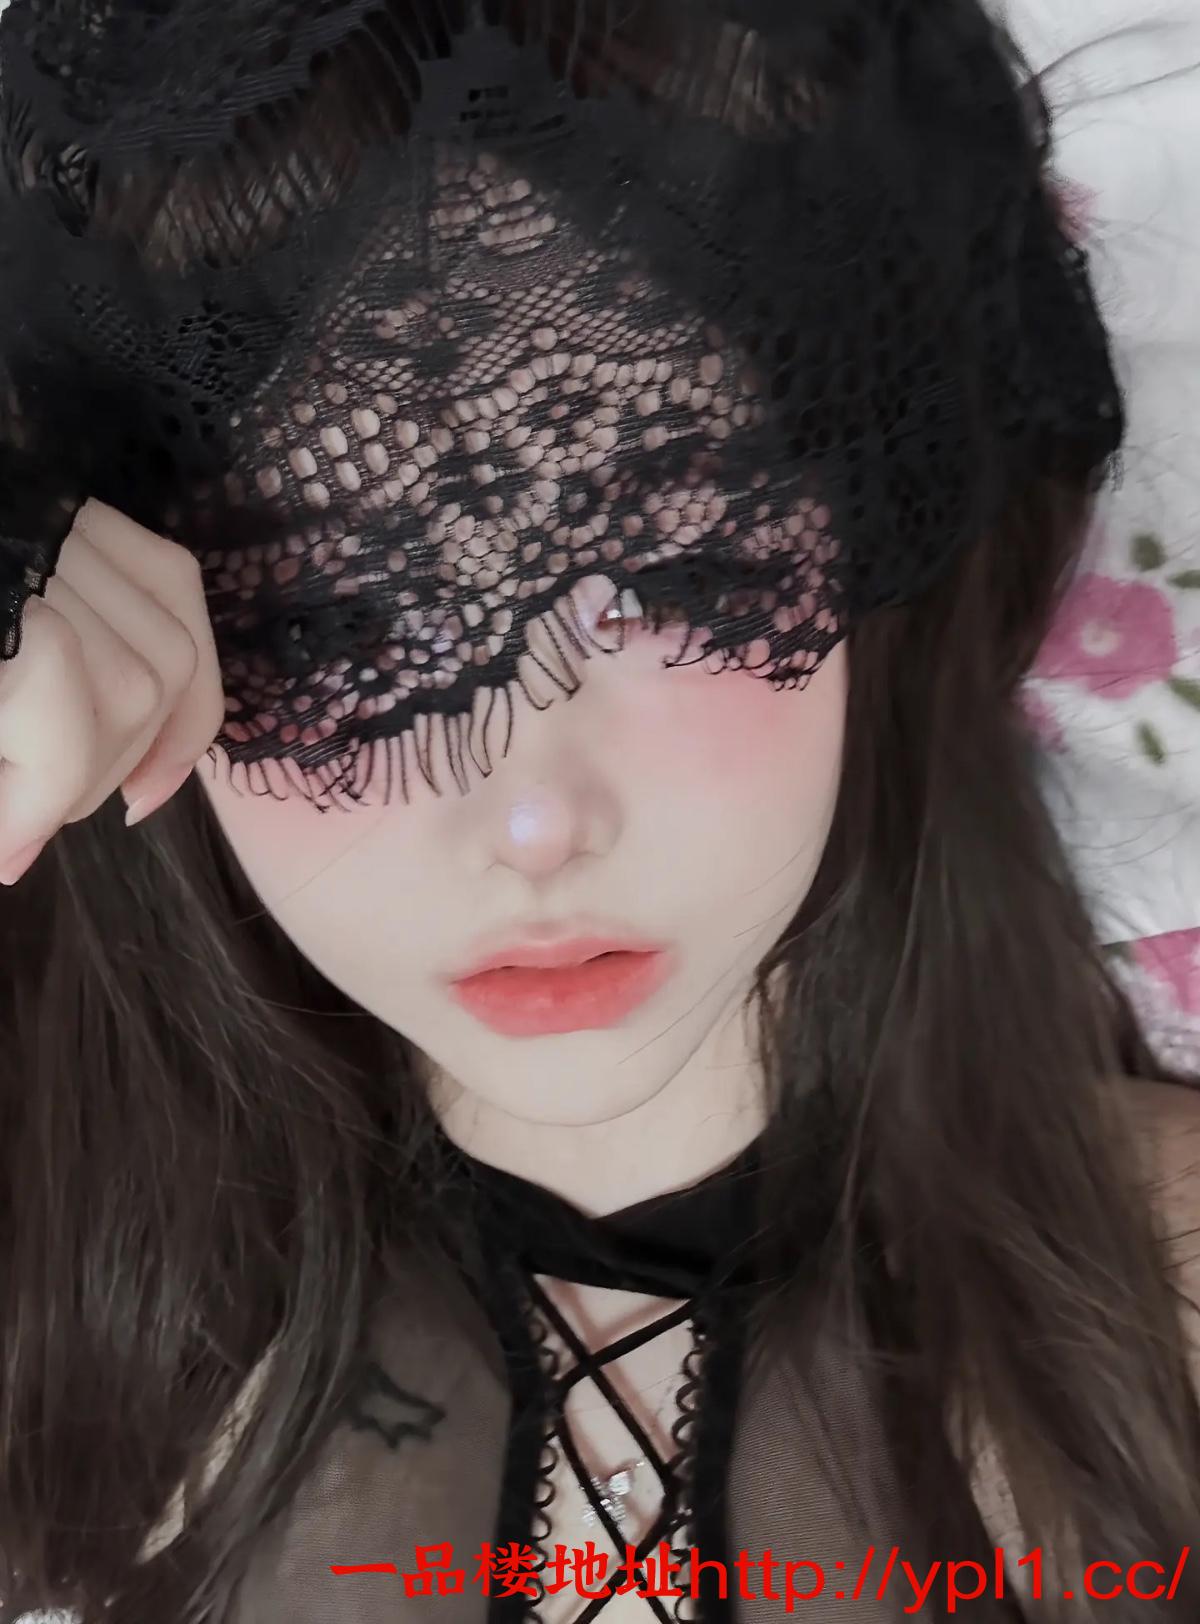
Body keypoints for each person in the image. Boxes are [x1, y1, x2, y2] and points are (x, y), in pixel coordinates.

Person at [0, 2, 1197, 1621]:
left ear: (883, 547)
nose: (530, 824)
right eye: (327, 618)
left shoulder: (1165, 1291)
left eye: (669, 575)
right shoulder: (68, 1295)